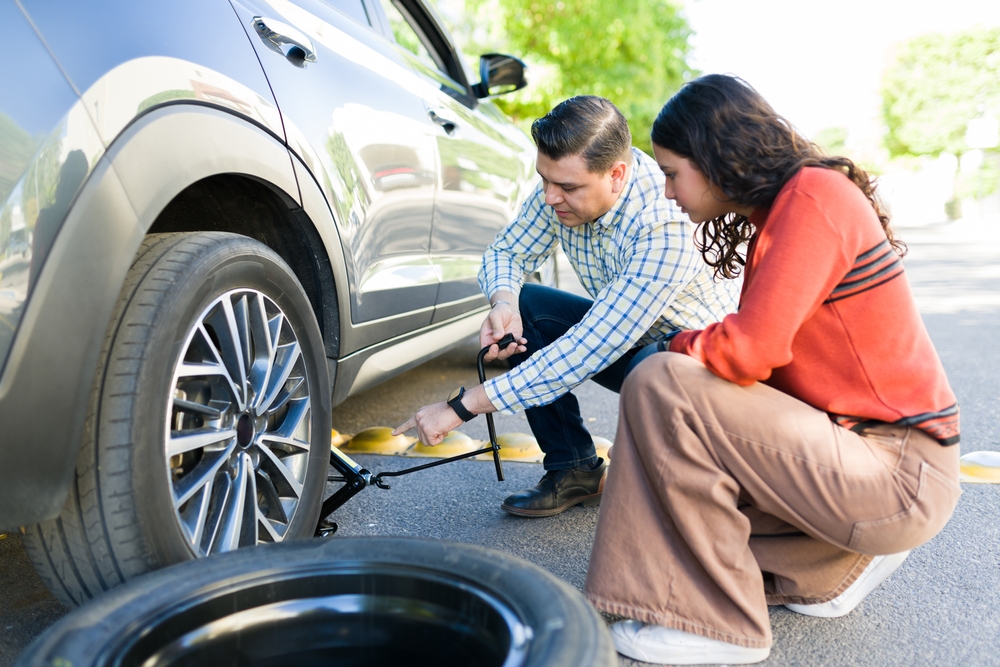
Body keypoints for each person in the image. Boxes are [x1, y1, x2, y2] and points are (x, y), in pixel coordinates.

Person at [584, 74, 962, 665]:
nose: (665, 192)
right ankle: (835, 563)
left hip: (895, 472)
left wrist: (674, 345)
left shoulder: (813, 196)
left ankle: (714, 625)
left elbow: (748, 351)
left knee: (661, 381)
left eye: (671, 173)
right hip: (871, 462)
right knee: (686, 449)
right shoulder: (789, 209)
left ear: (713, 160)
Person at [393, 95, 737, 517]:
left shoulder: (663, 224)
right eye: (545, 180)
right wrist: (504, 303)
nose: (550, 197)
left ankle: (694, 482)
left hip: (695, 371)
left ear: (616, 175)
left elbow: (587, 348)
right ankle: (575, 471)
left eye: (568, 187)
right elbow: (507, 253)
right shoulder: (561, 188)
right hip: (629, 341)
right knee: (529, 304)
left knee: (652, 366)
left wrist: (462, 406)